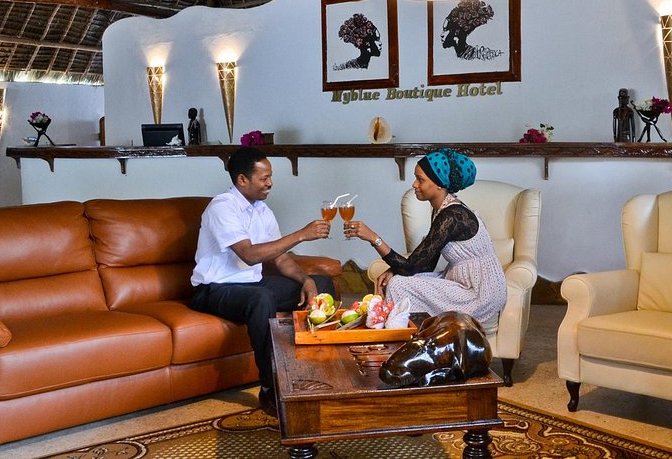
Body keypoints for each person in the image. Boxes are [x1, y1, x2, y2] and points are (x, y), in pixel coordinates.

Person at [190, 147, 334, 416]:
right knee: (261, 298)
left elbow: (281, 258)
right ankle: (270, 388)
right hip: (213, 289)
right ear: (242, 179)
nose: (270, 183)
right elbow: (249, 255)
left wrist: (306, 280)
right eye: (264, 178)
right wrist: (301, 235)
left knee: (322, 284)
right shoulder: (222, 207)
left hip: (251, 286)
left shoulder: (262, 210)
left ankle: (315, 371)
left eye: (270, 177)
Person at [344, 149, 507, 330]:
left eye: (420, 179)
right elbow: (425, 264)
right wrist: (393, 270)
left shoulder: (452, 216)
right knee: (397, 281)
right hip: (461, 282)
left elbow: (410, 267)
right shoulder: (441, 210)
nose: (414, 184)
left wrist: (373, 238)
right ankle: (405, 336)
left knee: (398, 284)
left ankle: (400, 339)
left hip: (480, 292)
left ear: (439, 184)